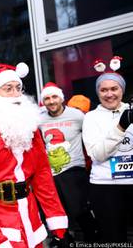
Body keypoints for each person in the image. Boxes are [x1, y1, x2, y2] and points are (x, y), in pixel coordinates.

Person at [0, 63, 68, 248]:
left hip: (31, 217)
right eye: (8, 89)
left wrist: (57, 223)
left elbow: (42, 175)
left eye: (18, 88)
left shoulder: (30, 127)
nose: (16, 94)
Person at [82, 59, 133, 242]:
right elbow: (97, 154)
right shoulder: (91, 118)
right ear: (98, 93)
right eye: (104, 90)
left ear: (122, 90)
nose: (109, 94)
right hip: (105, 188)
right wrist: (121, 127)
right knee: (114, 239)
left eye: (114, 89)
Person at [39, 82, 96, 241]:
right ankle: (64, 241)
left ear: (61, 98)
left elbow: (91, 137)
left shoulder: (77, 116)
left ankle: (93, 239)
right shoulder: (39, 119)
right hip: (51, 174)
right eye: (47, 98)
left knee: (79, 210)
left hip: (73, 171)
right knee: (57, 213)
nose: (51, 101)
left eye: (54, 97)